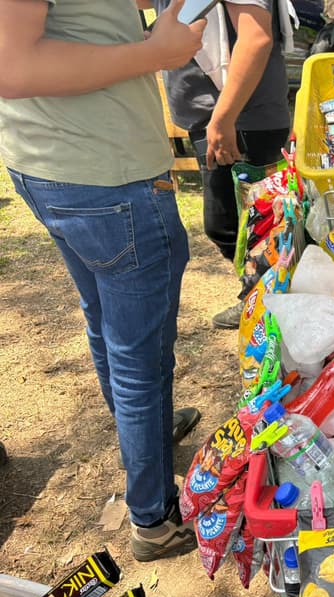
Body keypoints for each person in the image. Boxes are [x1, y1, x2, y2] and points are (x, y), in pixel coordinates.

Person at [0, 0, 204, 562]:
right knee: (140, 359)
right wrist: (153, 54)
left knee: (109, 328)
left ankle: (147, 445)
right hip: (107, 177)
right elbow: (13, 67)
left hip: (57, 168)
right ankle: (154, 519)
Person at [144, 0, 291, 330]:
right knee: (241, 227)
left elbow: (256, 37)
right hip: (216, 119)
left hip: (240, 121)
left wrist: (224, 119)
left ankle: (269, 306)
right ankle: (262, 301)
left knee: (251, 227)